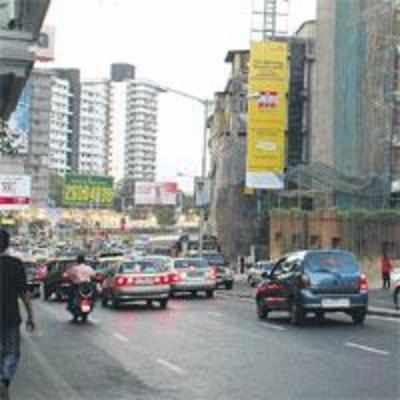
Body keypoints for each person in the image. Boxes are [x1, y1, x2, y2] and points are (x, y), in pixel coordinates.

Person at [0, 229, 35, 400]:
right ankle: (4, 379)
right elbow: (24, 294)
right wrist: (30, 316)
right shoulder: (16, 264)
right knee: (12, 352)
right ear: (7, 244)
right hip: (10, 317)